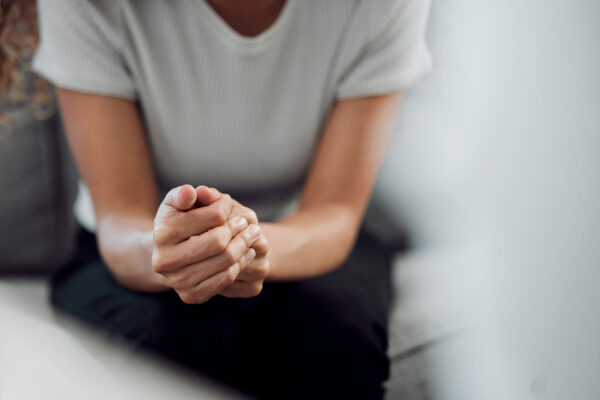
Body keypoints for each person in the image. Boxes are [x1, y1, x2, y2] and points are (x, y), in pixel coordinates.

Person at [32, 0, 432, 398]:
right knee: (181, 350)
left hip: (306, 235)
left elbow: (335, 210)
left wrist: (241, 242)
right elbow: (121, 216)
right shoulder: (88, 5)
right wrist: (170, 251)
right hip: (135, 247)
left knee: (339, 345)